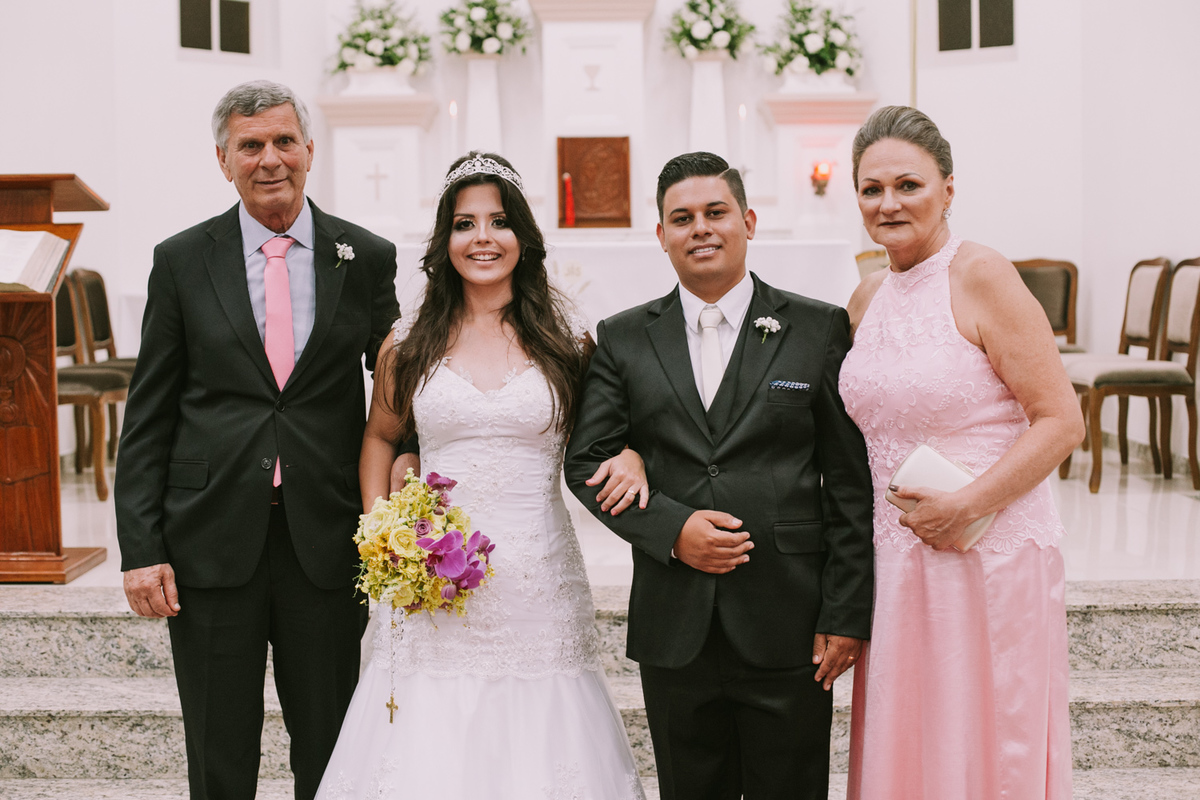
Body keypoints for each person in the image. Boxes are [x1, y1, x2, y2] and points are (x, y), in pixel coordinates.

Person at [315, 152, 647, 800]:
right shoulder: (409, 342)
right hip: (432, 575)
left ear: (523, 235)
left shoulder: (567, 340)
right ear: (445, 240)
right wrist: (382, 533)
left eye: (499, 221)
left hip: (538, 578)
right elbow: (381, 437)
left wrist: (631, 454)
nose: (482, 238)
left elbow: (609, 434)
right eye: (464, 224)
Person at [115, 80, 400, 800]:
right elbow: (149, 414)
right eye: (250, 146)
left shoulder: (364, 257)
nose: (270, 158)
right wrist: (141, 548)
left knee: (330, 746)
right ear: (223, 160)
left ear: (309, 150)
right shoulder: (182, 260)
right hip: (209, 538)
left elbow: (400, 397)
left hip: (325, 538)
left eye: (283, 141)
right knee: (219, 750)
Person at [563, 152, 875, 800]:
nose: (700, 228)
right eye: (682, 218)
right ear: (662, 235)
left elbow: (849, 480)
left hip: (789, 618)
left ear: (748, 221)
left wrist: (846, 612)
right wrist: (673, 530)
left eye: (715, 212)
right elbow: (587, 460)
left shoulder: (817, 328)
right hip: (675, 622)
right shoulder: (623, 338)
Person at [838, 106, 1084, 800]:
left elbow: (1061, 421)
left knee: (982, 738)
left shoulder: (980, 274)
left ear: (948, 189)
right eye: (872, 189)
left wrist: (967, 504)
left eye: (908, 185)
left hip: (983, 551)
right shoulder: (866, 297)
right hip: (896, 560)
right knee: (911, 737)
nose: (889, 203)